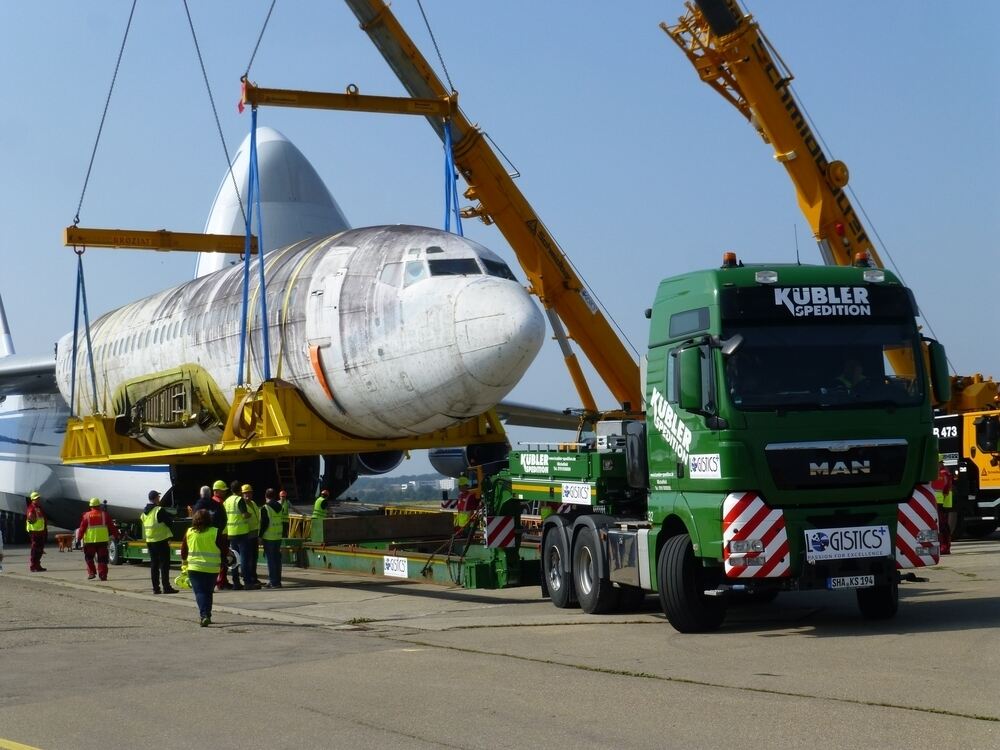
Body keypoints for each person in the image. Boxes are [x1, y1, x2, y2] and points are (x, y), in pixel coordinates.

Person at [181, 509, 222, 627]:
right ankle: (207, 615)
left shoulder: (189, 532)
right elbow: (223, 549)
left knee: (200, 592)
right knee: (208, 592)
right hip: (212, 568)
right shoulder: (215, 532)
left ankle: (204, 615)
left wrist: (184, 562)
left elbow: (184, 550)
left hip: (194, 568)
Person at [195, 481, 230, 591]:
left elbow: (194, 520)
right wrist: (218, 531)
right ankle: (218, 581)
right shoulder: (217, 505)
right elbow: (224, 519)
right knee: (219, 558)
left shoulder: (198, 506)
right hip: (217, 535)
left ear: (201, 494)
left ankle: (205, 582)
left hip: (200, 536)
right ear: (211, 493)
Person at [75, 498, 120, 581]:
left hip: (90, 541)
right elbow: (112, 527)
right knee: (102, 559)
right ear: (99, 506)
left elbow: (82, 529)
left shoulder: (86, 516)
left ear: (90, 506)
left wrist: (78, 539)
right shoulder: (104, 515)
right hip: (102, 541)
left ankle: (91, 573)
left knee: (89, 558)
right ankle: (103, 575)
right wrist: (116, 536)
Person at [141, 490, 178, 594]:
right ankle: (166, 587)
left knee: (154, 565)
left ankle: (156, 588)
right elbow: (169, 523)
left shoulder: (144, 512)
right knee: (164, 565)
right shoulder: (158, 510)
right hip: (161, 541)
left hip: (150, 541)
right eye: (158, 497)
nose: (159, 499)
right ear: (156, 498)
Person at [223, 481, 251, 590]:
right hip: (242, 532)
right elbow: (244, 515)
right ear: (240, 490)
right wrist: (249, 514)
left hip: (231, 532)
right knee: (244, 558)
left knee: (233, 559)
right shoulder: (240, 500)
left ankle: (235, 582)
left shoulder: (227, 501)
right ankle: (247, 582)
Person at [259, 488, 284, 588]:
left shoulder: (265, 508)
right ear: (275, 496)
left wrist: (260, 536)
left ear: (266, 496)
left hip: (269, 537)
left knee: (271, 560)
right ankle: (277, 581)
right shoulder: (280, 506)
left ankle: (273, 581)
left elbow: (264, 524)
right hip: (278, 536)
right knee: (277, 559)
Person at [931, 456, 953, 555]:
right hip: (939, 502)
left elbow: (945, 489)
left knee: (942, 525)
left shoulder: (942, 473)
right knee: (941, 525)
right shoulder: (943, 473)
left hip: (942, 503)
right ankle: (943, 546)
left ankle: (944, 546)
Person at [242, 483, 262, 589]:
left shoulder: (253, 503)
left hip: (255, 534)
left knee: (254, 557)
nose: (247, 495)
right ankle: (249, 577)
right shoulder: (242, 505)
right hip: (247, 534)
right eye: (245, 493)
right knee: (249, 558)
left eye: (249, 493)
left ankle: (254, 577)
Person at [25, 491, 47, 572]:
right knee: (35, 549)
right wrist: (31, 519)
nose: (37, 500)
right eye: (36, 499)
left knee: (40, 549)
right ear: (32, 499)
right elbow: (30, 518)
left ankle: (37, 565)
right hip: (34, 531)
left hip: (40, 531)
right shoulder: (31, 508)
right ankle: (33, 566)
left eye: (38, 498)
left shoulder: (38, 507)